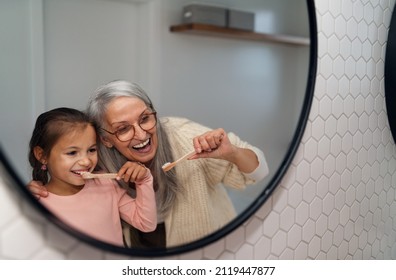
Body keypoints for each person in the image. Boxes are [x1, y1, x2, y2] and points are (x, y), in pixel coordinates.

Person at [29, 80, 269, 248]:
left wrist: (232, 153)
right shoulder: (94, 161)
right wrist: (33, 191)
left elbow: (259, 173)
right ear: (105, 139)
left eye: (145, 119)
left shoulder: (186, 138)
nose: (141, 134)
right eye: (123, 129)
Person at [28, 107, 157, 246]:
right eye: (72, 153)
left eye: (91, 150)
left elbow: (146, 224)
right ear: (42, 155)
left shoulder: (105, 184)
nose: (86, 161)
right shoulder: (36, 202)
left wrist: (144, 181)